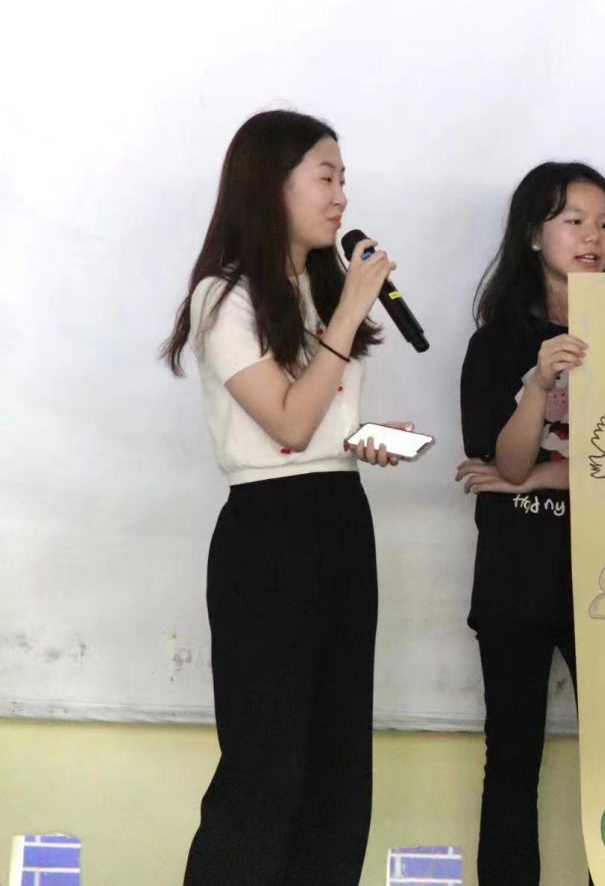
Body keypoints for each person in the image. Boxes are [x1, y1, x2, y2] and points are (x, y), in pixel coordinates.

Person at [162, 109, 411, 886]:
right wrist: (351, 311)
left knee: (339, 768)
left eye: (344, 180)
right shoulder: (223, 298)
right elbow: (288, 424)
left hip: (342, 522)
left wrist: (367, 436)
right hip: (269, 535)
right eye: (326, 178)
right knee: (266, 768)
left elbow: (323, 424)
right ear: (273, 186)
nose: (342, 198)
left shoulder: (323, 289)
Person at [455, 161, 605, 886]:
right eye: (574, 221)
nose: (593, 237)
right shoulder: (495, 343)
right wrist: (538, 383)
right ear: (533, 235)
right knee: (512, 761)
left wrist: (541, 477)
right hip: (517, 578)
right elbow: (504, 460)